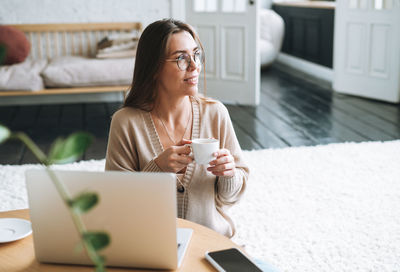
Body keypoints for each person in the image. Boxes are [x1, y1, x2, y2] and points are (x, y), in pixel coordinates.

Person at [105, 18, 249, 238]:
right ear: (154, 68)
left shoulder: (216, 113)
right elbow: (118, 203)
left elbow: (230, 197)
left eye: (196, 55)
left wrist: (229, 175)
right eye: (181, 58)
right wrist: (157, 169)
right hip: (149, 244)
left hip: (209, 243)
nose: (194, 66)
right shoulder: (125, 122)